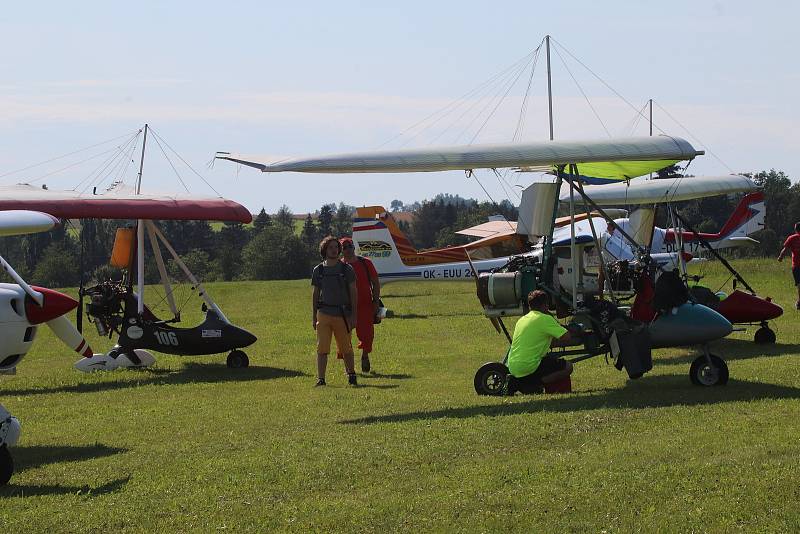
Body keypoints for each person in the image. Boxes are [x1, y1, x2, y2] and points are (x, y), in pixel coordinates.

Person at [505, 290, 576, 395]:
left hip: (512, 366)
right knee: (568, 366)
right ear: (546, 305)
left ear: (530, 305)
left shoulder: (522, 320)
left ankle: (519, 382)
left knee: (547, 362)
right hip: (530, 366)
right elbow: (567, 337)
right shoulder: (545, 319)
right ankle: (534, 384)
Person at [312, 236, 358, 386]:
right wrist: (314, 316)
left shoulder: (347, 269)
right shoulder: (318, 270)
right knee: (322, 348)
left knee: (346, 348)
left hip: (342, 315)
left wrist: (353, 315)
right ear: (324, 250)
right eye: (330, 247)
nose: (334, 250)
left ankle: (351, 374)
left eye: (336, 247)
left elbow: (353, 292)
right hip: (323, 314)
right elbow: (315, 293)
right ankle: (321, 379)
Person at [340, 237, 381, 373]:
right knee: (344, 336)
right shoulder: (339, 266)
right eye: (344, 247)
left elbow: (375, 282)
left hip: (365, 304)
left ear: (354, 247)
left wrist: (375, 301)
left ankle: (365, 356)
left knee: (367, 334)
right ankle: (348, 365)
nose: (348, 249)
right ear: (341, 250)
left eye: (350, 246)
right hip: (346, 306)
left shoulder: (366, 263)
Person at [777, 221, 800, 310]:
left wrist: (780, 257)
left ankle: (799, 302)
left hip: (796, 266)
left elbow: (785, 249)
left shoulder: (792, 238)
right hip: (797, 266)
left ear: (795, 229)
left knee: (799, 284)